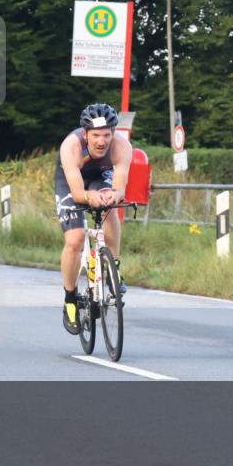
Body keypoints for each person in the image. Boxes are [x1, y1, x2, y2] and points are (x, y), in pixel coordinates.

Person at [55, 103, 132, 335]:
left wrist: (113, 195)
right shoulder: (71, 146)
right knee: (75, 240)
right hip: (71, 181)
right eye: (96, 135)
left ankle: (113, 268)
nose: (101, 141)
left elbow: (120, 188)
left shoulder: (122, 147)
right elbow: (78, 194)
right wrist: (90, 197)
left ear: (113, 133)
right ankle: (70, 300)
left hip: (100, 176)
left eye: (107, 135)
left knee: (110, 207)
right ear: (85, 134)